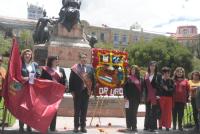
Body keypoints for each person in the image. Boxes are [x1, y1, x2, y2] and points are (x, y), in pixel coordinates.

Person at [69, 53, 95, 133]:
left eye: (85, 58)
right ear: (80, 59)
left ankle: (83, 127)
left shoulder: (90, 68)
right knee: (77, 111)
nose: (84, 59)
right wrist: (72, 91)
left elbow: (93, 79)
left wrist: (92, 90)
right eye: (82, 58)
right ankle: (76, 127)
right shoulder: (75, 68)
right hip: (77, 93)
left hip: (86, 93)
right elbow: (71, 80)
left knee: (84, 111)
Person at [40, 56, 67, 131]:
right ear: (51, 61)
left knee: (54, 110)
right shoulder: (46, 70)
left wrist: (63, 92)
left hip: (57, 93)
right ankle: (44, 126)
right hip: (48, 92)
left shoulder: (61, 70)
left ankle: (52, 127)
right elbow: (42, 80)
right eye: (55, 60)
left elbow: (64, 81)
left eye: (57, 60)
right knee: (46, 110)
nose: (56, 61)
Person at [19, 49, 40, 133]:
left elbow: (38, 74)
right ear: (23, 55)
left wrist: (35, 78)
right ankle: (21, 126)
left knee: (31, 108)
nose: (27, 56)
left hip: (32, 89)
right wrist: (23, 78)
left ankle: (29, 126)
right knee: (23, 107)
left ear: (31, 56)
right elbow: (17, 75)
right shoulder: (20, 64)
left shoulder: (34, 64)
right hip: (23, 89)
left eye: (29, 54)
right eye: (26, 54)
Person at [143, 61, 162, 132]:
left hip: (155, 95)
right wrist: (143, 95)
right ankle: (146, 126)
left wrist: (159, 95)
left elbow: (160, 85)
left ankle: (153, 127)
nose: (152, 67)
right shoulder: (146, 74)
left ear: (155, 67)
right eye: (151, 65)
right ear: (149, 66)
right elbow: (144, 86)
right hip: (147, 95)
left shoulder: (158, 75)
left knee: (153, 111)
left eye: (154, 66)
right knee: (147, 110)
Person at [123, 65, 142, 132]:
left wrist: (140, 98)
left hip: (136, 99)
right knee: (128, 112)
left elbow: (141, 90)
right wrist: (125, 96)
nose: (133, 71)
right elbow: (124, 88)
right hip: (128, 99)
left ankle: (134, 127)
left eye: (134, 70)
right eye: (132, 69)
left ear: (136, 71)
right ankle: (128, 126)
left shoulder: (139, 78)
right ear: (130, 70)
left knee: (134, 113)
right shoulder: (127, 78)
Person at [172, 67, 189, 131]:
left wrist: (188, 97)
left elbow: (188, 90)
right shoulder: (172, 80)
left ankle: (180, 126)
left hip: (182, 100)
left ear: (183, 73)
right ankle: (174, 126)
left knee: (181, 114)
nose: (179, 73)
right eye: (178, 72)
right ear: (175, 73)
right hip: (174, 100)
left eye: (181, 72)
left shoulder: (186, 80)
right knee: (174, 113)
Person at [158, 67, 174, 131]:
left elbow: (173, 89)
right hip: (161, 97)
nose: (167, 74)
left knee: (168, 112)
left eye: (168, 73)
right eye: (165, 73)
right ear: (163, 73)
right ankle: (160, 125)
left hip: (169, 98)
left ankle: (167, 126)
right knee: (161, 112)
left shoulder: (171, 80)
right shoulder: (160, 80)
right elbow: (157, 89)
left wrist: (168, 89)